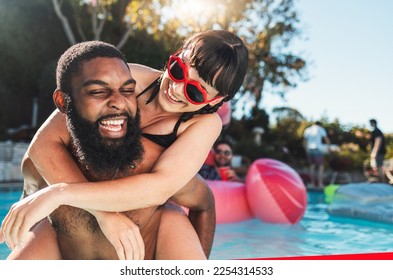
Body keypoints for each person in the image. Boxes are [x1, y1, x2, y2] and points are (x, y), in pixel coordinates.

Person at [0, 30, 249, 259]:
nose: (176, 88)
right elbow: (42, 145)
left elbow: (159, 188)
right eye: (177, 70)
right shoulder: (128, 76)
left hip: (147, 219)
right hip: (67, 219)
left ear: (217, 100)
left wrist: (60, 192)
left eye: (194, 92)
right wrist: (104, 215)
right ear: (174, 57)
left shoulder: (203, 124)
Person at [303, 121, 331, 189]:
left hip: (310, 149)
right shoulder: (320, 129)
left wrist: (306, 150)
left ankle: (312, 184)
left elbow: (304, 141)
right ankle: (320, 184)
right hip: (317, 149)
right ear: (320, 125)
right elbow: (327, 140)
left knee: (312, 167)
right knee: (321, 167)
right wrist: (329, 147)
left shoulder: (308, 130)